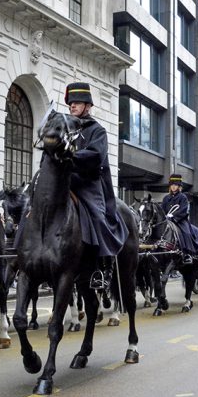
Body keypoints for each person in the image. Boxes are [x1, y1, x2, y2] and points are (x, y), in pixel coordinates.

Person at [64, 82, 129, 289]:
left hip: (89, 183)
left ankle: (104, 267)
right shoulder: (65, 128)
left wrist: (69, 156)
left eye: (77, 102)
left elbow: (95, 155)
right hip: (65, 181)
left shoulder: (97, 130)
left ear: (87, 106)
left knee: (98, 217)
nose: (72, 106)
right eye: (71, 103)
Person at [161, 174, 198, 264]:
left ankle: (187, 254)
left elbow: (184, 211)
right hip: (167, 221)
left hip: (180, 221)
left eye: (175, 185)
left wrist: (174, 216)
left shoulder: (183, 197)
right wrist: (164, 217)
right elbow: (162, 210)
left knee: (186, 233)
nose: (173, 187)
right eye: (172, 185)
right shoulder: (166, 198)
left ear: (179, 186)